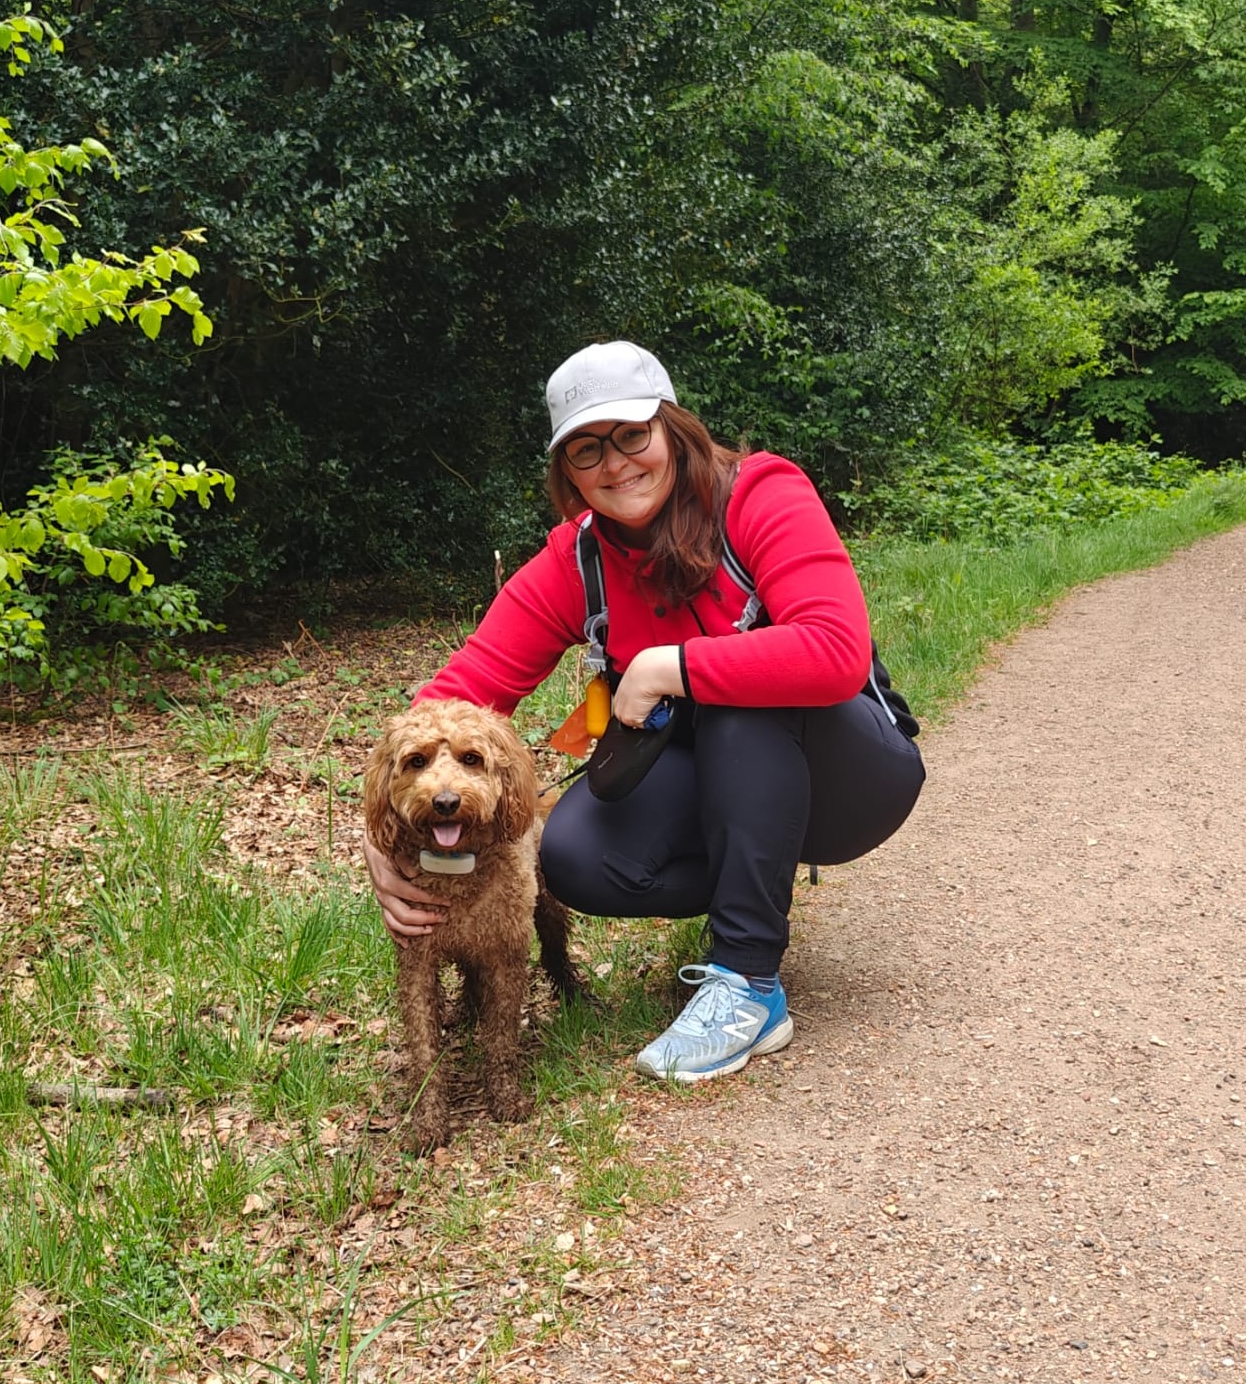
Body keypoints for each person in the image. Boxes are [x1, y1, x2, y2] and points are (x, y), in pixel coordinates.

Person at [363, 341, 924, 1083]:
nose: (616, 463)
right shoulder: (578, 559)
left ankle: (747, 982)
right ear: (567, 470)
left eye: (633, 434)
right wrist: (379, 834)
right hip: (729, 781)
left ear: (672, 428)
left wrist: (669, 665)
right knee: (573, 855)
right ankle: (751, 868)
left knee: (737, 693)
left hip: (853, 772)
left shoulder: (760, 493)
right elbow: (457, 693)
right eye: (587, 449)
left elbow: (835, 649)